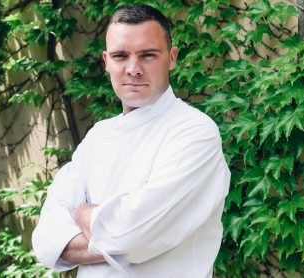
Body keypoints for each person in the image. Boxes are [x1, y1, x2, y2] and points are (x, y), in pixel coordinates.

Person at [31, 3, 231, 277]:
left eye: (148, 55)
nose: (133, 69)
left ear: (172, 57)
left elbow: (130, 237)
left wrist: (81, 213)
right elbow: (46, 241)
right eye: (120, 56)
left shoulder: (194, 132)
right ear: (106, 61)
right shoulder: (98, 138)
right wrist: (121, 230)